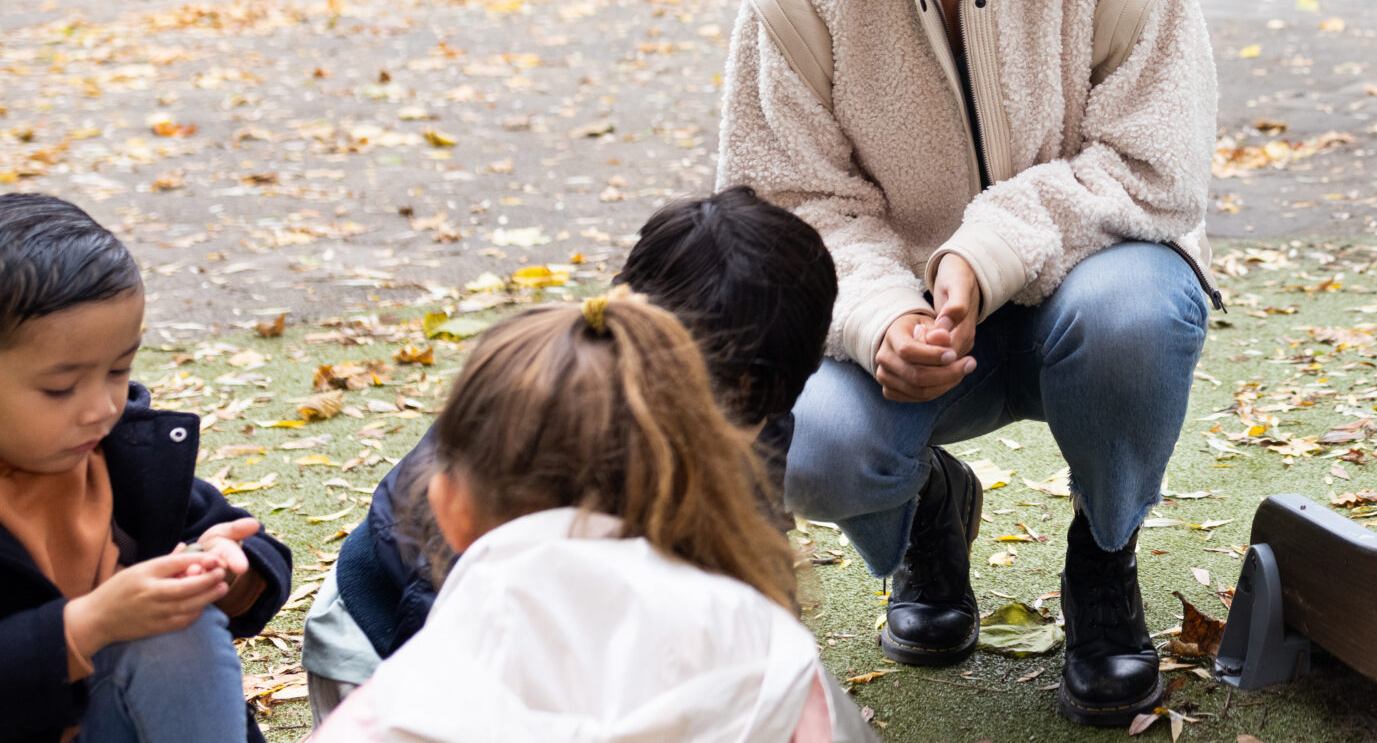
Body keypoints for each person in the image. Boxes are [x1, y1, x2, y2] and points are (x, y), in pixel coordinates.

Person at [719, 0, 1216, 729]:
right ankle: (925, 526)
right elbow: (786, 211)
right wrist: (883, 314)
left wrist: (991, 245)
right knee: (825, 445)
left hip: (1084, 303)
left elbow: (1155, 169)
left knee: (1140, 311)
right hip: (909, 325)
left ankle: (1105, 560)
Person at [300, 189, 836, 716]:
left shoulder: (751, 402)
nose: (738, 425)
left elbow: (749, 546)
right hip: (394, 647)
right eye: (721, 399)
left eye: (762, 401)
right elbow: (464, 644)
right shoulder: (538, 440)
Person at [0, 193, 290, 743]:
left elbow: (233, 537)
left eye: (119, 369)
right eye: (60, 388)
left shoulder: (123, 456)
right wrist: (87, 626)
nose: (102, 407)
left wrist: (227, 569)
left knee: (177, 629)